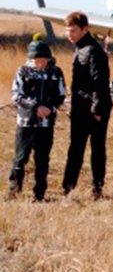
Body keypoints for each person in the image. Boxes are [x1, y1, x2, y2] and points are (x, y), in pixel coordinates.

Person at [8, 36, 66, 201]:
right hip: (26, 122)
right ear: (30, 59)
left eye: (43, 60)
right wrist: (35, 106)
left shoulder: (55, 73)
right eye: (37, 60)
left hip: (46, 123)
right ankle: (14, 190)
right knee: (20, 157)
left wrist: (49, 108)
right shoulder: (23, 71)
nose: (40, 64)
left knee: (42, 159)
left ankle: (39, 193)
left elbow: (61, 95)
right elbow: (17, 95)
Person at [62, 12, 112, 200]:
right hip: (79, 107)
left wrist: (97, 109)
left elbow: (100, 82)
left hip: (93, 110)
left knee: (97, 150)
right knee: (75, 148)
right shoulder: (79, 48)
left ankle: (97, 188)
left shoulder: (93, 51)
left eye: (73, 31)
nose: (70, 34)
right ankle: (68, 188)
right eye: (67, 31)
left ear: (85, 29)